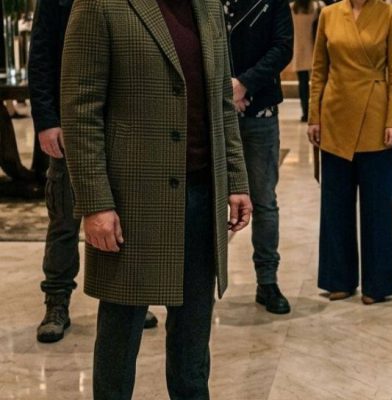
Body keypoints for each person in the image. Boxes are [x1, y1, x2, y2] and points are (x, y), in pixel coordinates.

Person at [60, 0, 252, 396]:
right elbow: (81, 112)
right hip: (132, 201)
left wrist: (235, 178)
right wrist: (96, 203)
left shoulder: (207, 6)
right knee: (121, 333)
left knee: (193, 341)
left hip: (201, 195)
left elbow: (221, 101)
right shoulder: (101, 5)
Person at [27, 0, 157, 344]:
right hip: (74, 125)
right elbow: (41, 55)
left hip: (125, 126)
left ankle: (130, 298)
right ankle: (56, 301)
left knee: (128, 215)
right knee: (64, 219)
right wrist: (47, 121)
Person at [308, 0, 392, 305]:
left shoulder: (391, 15)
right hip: (335, 115)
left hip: (376, 119)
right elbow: (318, 70)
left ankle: (377, 285)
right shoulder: (329, 14)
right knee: (335, 204)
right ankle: (338, 279)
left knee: (377, 207)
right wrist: (314, 116)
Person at [226, 0, 294, 315]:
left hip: (261, 113)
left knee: (264, 201)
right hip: (213, 113)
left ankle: (267, 280)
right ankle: (199, 282)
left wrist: (244, 85)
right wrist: (226, 92)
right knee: (205, 199)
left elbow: (282, 48)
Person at [290, 0, 323, 122]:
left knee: (303, 84)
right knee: (317, 83)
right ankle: (317, 111)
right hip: (314, 48)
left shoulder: (292, 8)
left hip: (298, 49)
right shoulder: (317, 6)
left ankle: (305, 113)